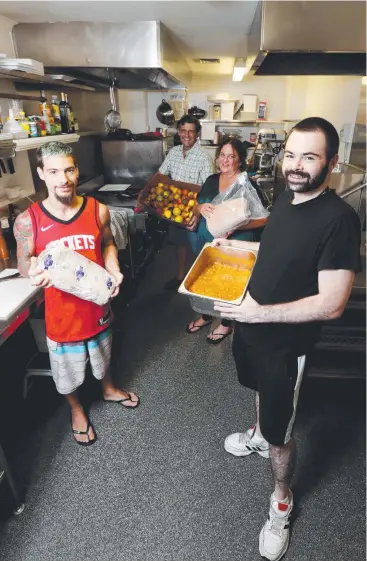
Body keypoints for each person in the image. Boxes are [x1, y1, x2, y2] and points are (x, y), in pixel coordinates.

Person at [212, 117, 361, 560]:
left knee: (283, 434)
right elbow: (281, 251)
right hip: (251, 327)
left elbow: (332, 303)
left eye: (309, 157)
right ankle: (259, 434)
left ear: (331, 163)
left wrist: (259, 312)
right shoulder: (287, 197)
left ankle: (281, 500)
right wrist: (238, 249)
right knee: (259, 397)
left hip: (284, 345)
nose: (295, 165)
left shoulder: (339, 220)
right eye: (291, 154)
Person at [14, 142, 139, 447]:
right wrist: (33, 271)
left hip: (98, 308)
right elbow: (22, 262)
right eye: (54, 171)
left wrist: (114, 268)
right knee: (67, 372)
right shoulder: (27, 220)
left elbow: (108, 243)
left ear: (77, 169)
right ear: (42, 173)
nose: (63, 179)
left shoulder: (98, 210)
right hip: (62, 317)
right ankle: (76, 408)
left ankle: (108, 389)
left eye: (69, 169)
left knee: (104, 355)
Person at [186, 137, 268, 344]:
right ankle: (206, 315)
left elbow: (265, 218)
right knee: (207, 278)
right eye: (222, 154)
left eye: (231, 156)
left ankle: (225, 323)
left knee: (227, 282)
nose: (226, 160)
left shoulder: (246, 185)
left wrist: (238, 226)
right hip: (207, 240)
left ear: (240, 161)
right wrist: (199, 208)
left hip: (235, 242)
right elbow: (198, 205)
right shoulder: (211, 180)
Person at [159, 114, 213, 290]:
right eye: (183, 131)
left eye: (191, 131)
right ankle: (181, 277)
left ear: (197, 134)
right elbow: (161, 175)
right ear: (179, 132)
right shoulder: (173, 153)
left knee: (199, 247)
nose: (187, 135)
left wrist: (197, 212)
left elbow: (208, 190)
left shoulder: (204, 158)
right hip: (176, 210)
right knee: (180, 244)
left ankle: (202, 281)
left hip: (196, 211)